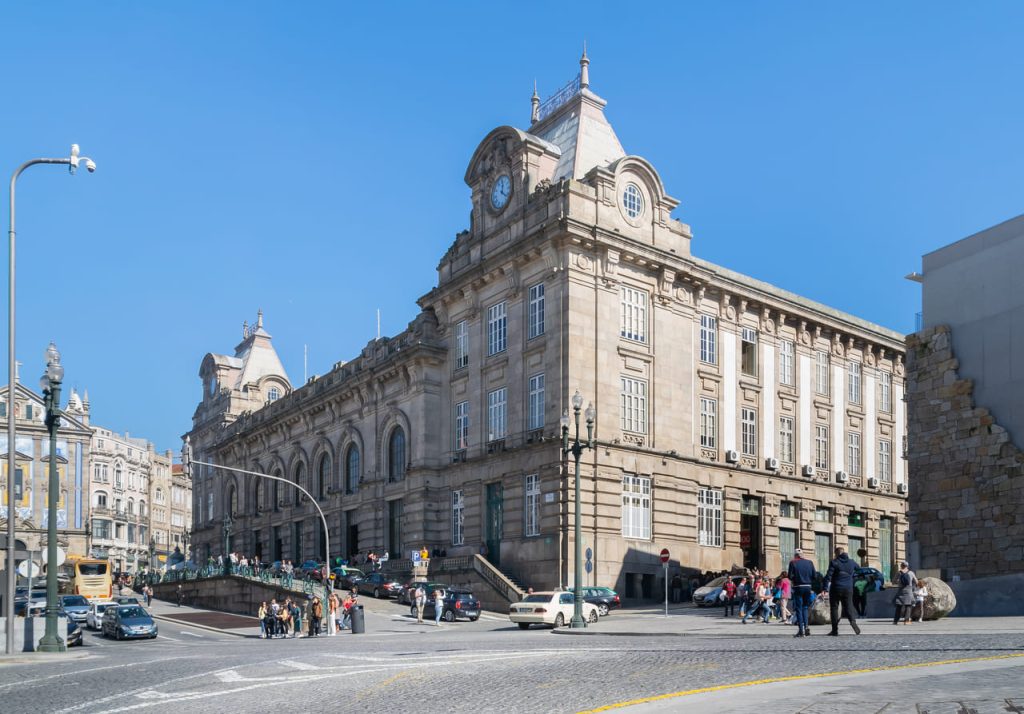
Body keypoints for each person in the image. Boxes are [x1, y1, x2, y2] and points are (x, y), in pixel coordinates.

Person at [823, 546, 861, 636]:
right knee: (849, 607)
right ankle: (853, 622)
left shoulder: (834, 562)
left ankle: (835, 630)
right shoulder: (852, 562)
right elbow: (859, 569)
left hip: (836, 588)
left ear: (837, 553)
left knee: (834, 608)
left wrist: (825, 588)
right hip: (848, 588)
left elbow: (828, 576)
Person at [788, 548, 816, 638]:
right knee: (805, 607)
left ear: (795, 555)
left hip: (798, 587)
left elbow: (790, 576)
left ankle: (801, 630)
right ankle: (807, 627)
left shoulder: (793, 562)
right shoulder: (810, 562)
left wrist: (796, 578)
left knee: (799, 608)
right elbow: (814, 576)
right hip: (808, 587)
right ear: (802, 555)